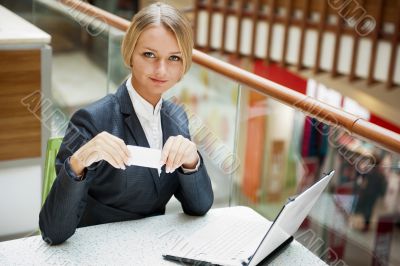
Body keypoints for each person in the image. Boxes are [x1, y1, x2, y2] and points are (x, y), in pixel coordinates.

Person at [39, 2, 214, 245]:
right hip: (102, 252)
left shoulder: (177, 118)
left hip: (155, 248)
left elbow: (200, 207)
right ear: (130, 53)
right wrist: (79, 163)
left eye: (174, 57)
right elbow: (53, 232)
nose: (161, 69)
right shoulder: (91, 120)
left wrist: (191, 162)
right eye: (149, 54)